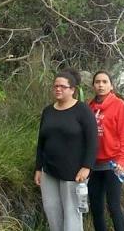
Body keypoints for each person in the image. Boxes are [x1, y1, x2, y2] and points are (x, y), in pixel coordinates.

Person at [34, 69, 98, 231]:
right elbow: (41, 141)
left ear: (72, 90)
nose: (58, 89)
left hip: (74, 174)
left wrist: (87, 166)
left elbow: (92, 141)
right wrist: (38, 168)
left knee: (72, 216)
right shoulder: (48, 111)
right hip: (49, 171)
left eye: (63, 86)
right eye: (55, 86)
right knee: (52, 212)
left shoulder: (83, 111)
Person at [87, 71, 124, 231]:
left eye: (105, 82)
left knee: (113, 206)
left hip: (113, 165)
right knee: (96, 209)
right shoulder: (89, 107)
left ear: (111, 86)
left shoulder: (119, 105)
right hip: (94, 165)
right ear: (93, 85)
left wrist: (123, 161)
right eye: (97, 82)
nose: (101, 85)